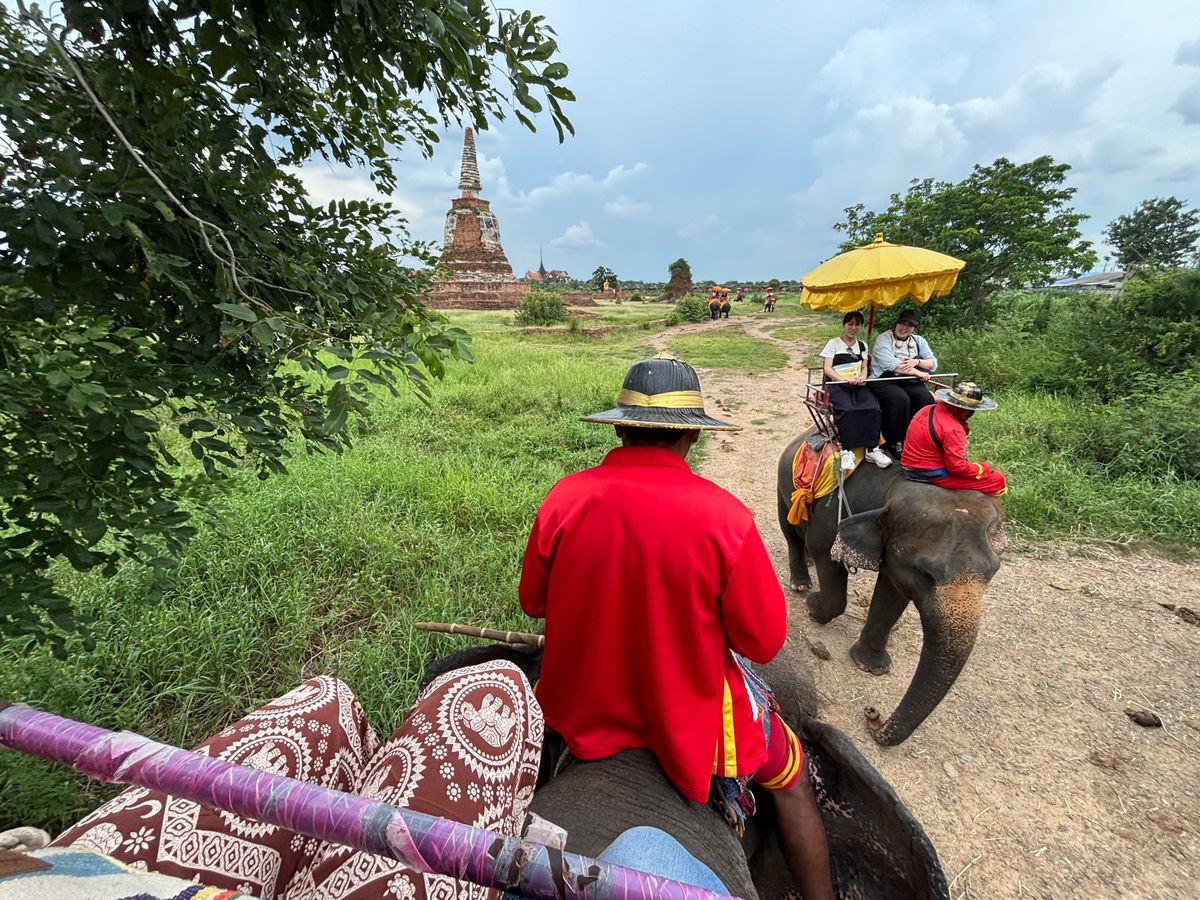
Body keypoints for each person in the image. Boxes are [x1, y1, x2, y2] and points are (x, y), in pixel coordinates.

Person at [519, 355, 835, 900]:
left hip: (580, 707)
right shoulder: (726, 518)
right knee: (791, 775)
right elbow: (763, 642)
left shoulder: (564, 497)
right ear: (693, 435)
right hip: (692, 728)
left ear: (619, 428)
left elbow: (532, 602)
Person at [900, 382, 1008, 494]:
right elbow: (957, 467)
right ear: (957, 408)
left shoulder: (927, 409)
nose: (972, 412)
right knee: (997, 479)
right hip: (928, 473)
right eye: (969, 409)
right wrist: (983, 468)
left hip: (909, 464)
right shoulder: (953, 429)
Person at [819, 310, 891, 470]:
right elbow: (828, 369)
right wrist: (843, 379)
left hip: (858, 384)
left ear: (861, 327)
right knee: (848, 409)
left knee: (873, 407)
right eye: (850, 324)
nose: (853, 327)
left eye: (857, 324)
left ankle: (872, 448)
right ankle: (846, 449)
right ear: (844, 325)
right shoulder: (833, 343)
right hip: (838, 384)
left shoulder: (862, 345)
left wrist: (862, 377)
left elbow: (864, 367)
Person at [869, 308, 938, 457]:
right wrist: (919, 372)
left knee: (926, 400)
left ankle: (918, 436)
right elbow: (893, 365)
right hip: (884, 379)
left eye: (909, 325)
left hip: (907, 380)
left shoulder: (918, 341)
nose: (904, 328)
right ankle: (894, 440)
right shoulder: (884, 339)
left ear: (914, 328)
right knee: (900, 399)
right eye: (902, 323)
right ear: (896, 323)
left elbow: (933, 363)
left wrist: (917, 361)